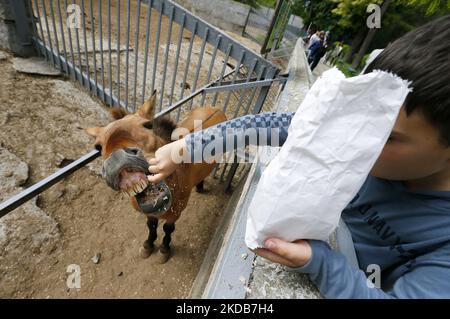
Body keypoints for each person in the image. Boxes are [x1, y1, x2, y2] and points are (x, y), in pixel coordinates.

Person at [147, 15, 450, 298]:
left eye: (386, 135)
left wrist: (321, 263)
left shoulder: (442, 240)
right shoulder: (357, 133)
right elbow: (267, 125)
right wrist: (187, 147)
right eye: (359, 117)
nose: (354, 135)